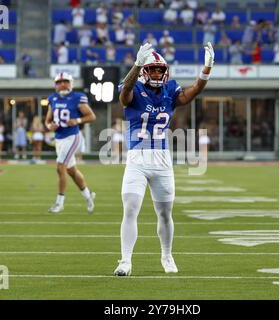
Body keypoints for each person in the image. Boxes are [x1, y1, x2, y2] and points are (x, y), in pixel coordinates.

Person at [113, 42, 214, 276]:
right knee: (130, 209)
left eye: (160, 69)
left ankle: (167, 255)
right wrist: (137, 65)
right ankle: (126, 261)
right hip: (137, 159)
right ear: (145, 71)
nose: (157, 73)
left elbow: (193, 91)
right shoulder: (134, 87)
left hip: (162, 160)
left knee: (165, 213)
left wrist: (206, 69)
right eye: (153, 69)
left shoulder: (170, 89)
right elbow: (124, 96)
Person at [44, 72, 97, 214]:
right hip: (59, 138)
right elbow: (48, 120)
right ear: (55, 85)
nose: (62, 84)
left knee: (60, 167)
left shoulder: (77, 97)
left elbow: (91, 116)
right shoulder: (52, 98)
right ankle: (88, 196)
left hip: (72, 136)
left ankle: (59, 203)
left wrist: (78, 121)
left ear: (71, 83)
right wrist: (50, 126)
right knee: (71, 171)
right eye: (59, 82)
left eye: (65, 81)